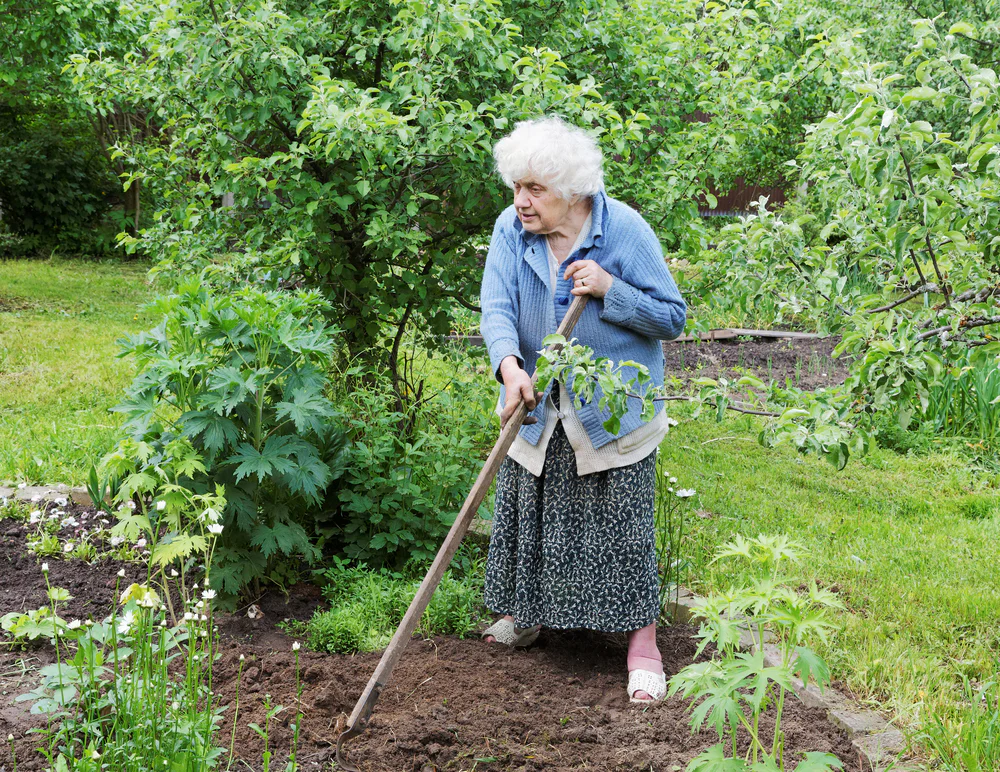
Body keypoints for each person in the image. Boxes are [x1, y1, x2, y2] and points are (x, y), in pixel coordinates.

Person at [478, 116, 687, 703]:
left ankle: (642, 644)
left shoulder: (623, 231)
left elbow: (672, 316)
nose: (519, 201)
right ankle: (529, 615)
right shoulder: (509, 231)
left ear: (571, 190)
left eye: (534, 190)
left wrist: (608, 290)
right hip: (536, 402)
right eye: (516, 187)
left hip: (611, 410)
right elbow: (496, 307)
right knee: (534, 510)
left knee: (620, 527)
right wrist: (509, 367)